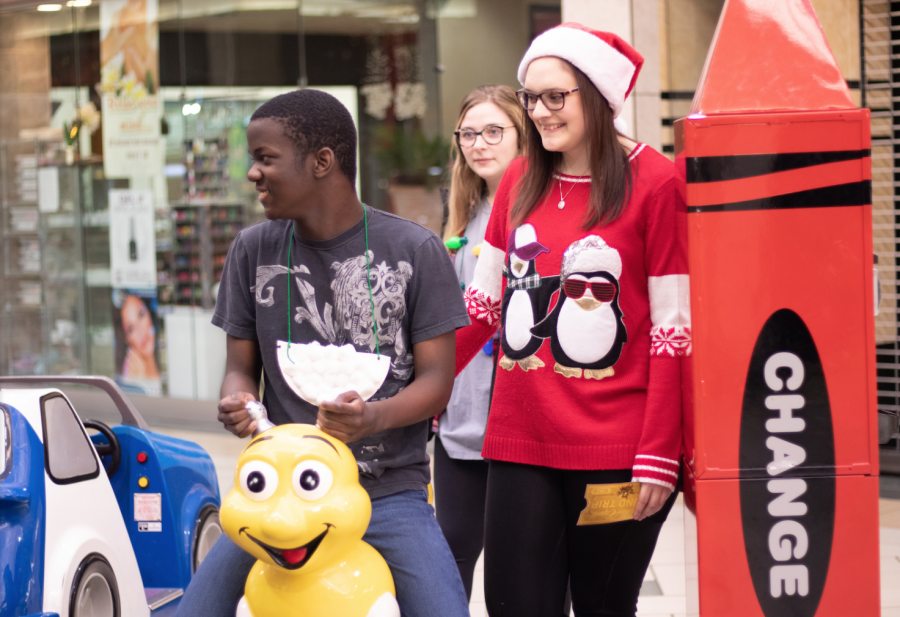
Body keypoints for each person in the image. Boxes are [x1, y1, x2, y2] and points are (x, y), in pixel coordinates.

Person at [175, 89, 471, 617]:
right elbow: (240, 369)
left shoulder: (415, 250)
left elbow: (436, 384)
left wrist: (371, 418)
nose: (252, 173)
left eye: (266, 158)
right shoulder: (252, 249)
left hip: (387, 492)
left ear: (322, 162)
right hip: (280, 498)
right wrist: (239, 402)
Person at [455, 23, 688, 617]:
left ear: (598, 94)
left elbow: (672, 332)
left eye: (555, 96)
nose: (539, 111)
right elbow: (482, 310)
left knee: (603, 607)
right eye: (531, 97)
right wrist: (407, 383)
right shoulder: (518, 179)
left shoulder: (657, 184)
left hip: (618, 450)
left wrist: (661, 453)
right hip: (519, 439)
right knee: (515, 605)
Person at [434, 84, 524, 601]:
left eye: (494, 131)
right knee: (450, 564)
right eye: (469, 133)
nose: (479, 144)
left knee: (520, 580)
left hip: (521, 424)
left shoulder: (539, 211)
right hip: (460, 421)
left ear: (522, 136)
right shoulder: (463, 217)